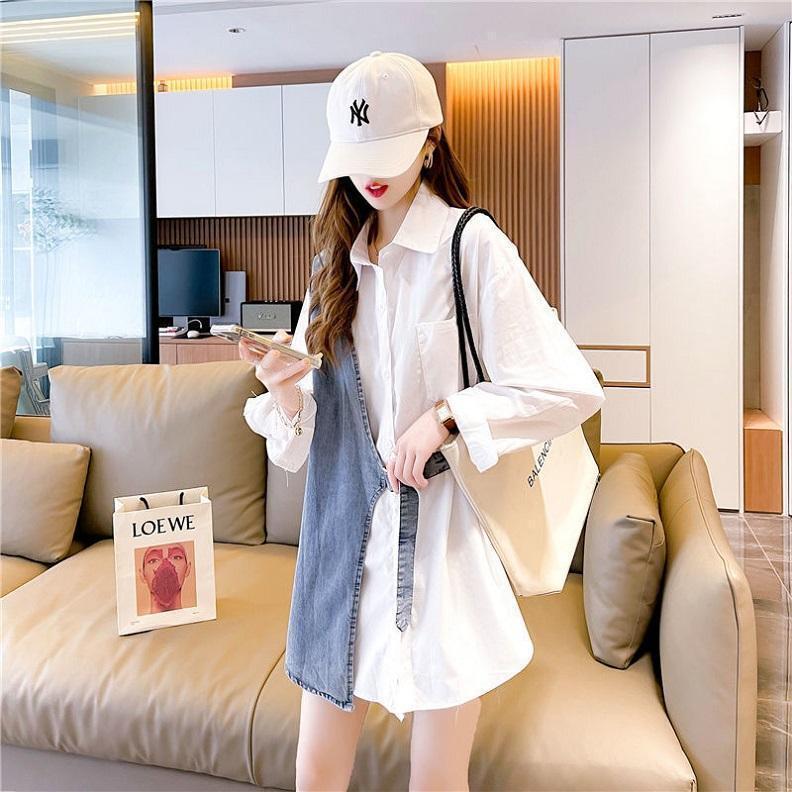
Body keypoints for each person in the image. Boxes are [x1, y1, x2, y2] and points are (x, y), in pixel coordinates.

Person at [240, 50, 605, 792]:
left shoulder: (471, 246)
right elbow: (297, 449)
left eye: (389, 154)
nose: (370, 177)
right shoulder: (332, 266)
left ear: (431, 144)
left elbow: (569, 388)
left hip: (442, 548)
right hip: (341, 547)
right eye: (357, 158)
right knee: (315, 771)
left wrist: (448, 415)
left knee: (436, 779)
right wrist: (285, 391)